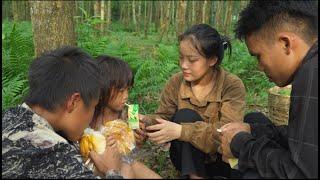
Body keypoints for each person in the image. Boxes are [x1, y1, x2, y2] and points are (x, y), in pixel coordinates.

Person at [220, 0, 318, 178]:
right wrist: (254, 130)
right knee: (254, 120)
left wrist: (241, 145)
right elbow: (306, 140)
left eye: (258, 56)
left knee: (251, 174)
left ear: (285, 44)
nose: (259, 66)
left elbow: (303, 174)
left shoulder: (312, 72)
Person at [136, 24, 247, 178]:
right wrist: (145, 123)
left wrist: (182, 131)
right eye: (181, 57)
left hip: (221, 160)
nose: (183, 65)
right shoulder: (176, 82)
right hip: (185, 160)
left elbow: (228, 135)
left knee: (253, 121)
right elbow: (163, 116)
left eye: (192, 60)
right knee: (185, 116)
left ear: (212, 60)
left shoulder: (231, 85)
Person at [2, 46, 129, 178]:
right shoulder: (55, 157)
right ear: (73, 102)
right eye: (93, 106)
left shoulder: (10, 116)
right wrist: (112, 171)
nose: (91, 115)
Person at [90, 55, 162, 179]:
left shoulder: (130, 112)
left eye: (128, 90)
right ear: (103, 88)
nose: (126, 96)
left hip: (127, 161)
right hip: (99, 167)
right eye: (121, 90)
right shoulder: (90, 115)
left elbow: (134, 149)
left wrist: (139, 138)